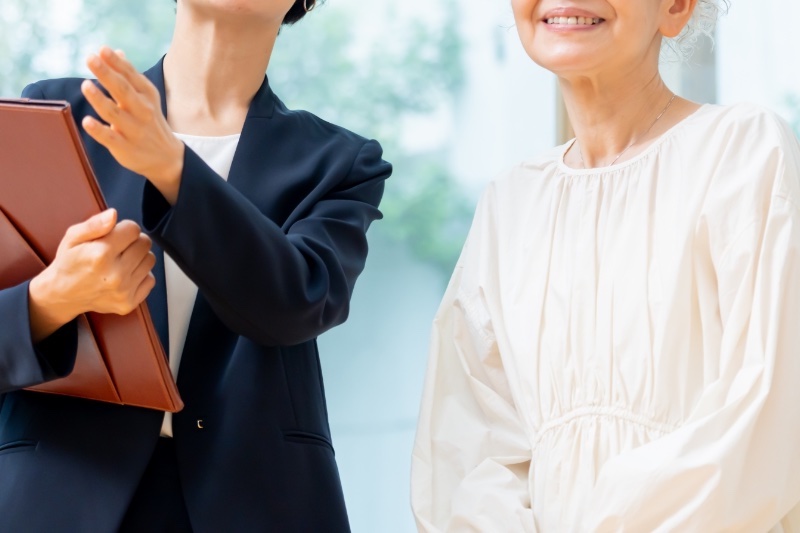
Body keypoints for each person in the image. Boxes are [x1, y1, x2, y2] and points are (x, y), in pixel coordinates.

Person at [0, 0, 391, 530]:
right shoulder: (58, 115)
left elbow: (296, 303)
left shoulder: (341, 162)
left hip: (256, 501)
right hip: (62, 492)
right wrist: (52, 298)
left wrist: (173, 166)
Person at [411, 0, 800, 530]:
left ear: (676, 7)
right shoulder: (511, 201)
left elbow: (763, 417)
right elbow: (470, 453)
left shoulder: (743, 152)